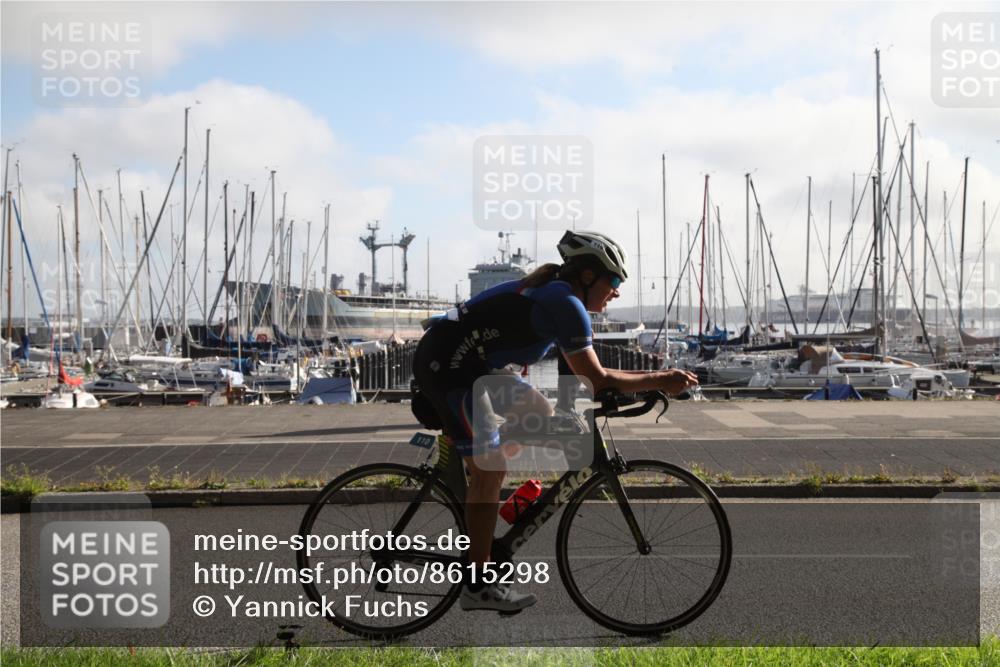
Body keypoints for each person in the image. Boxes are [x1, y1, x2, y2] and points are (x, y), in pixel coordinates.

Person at [412, 230, 699, 612]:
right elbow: (596, 379)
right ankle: (477, 586)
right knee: (490, 469)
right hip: (448, 364)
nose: (616, 291)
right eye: (613, 281)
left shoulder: (561, 296)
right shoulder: (565, 302)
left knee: (538, 412)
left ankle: (477, 472)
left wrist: (581, 411)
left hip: (470, 362)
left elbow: (576, 380)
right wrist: (661, 379)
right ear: (587, 276)